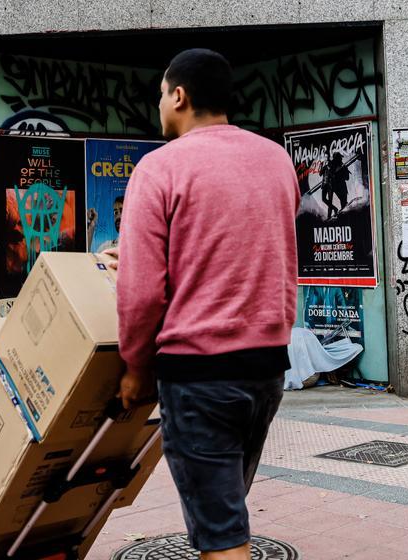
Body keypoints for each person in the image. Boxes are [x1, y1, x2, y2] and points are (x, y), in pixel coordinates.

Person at [109, 49, 299, 560]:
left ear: (179, 95)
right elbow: (259, 248)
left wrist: (135, 367)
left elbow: (142, 291)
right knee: (224, 509)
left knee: (222, 534)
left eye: (160, 96)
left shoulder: (159, 168)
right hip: (267, 369)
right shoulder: (276, 159)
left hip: (199, 374)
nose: (158, 106)